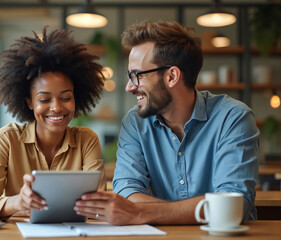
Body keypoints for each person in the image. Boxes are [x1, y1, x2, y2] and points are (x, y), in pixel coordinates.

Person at [73, 21, 259, 225]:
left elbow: (234, 204)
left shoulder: (233, 118)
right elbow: (127, 194)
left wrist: (140, 213)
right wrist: (198, 209)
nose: (129, 87)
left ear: (172, 76)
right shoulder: (135, 123)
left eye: (136, 75)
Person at [0, 28, 106, 221]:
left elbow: (97, 206)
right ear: (30, 102)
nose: (57, 107)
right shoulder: (7, 139)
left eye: (66, 97)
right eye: (44, 100)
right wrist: (17, 202)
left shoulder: (87, 140)